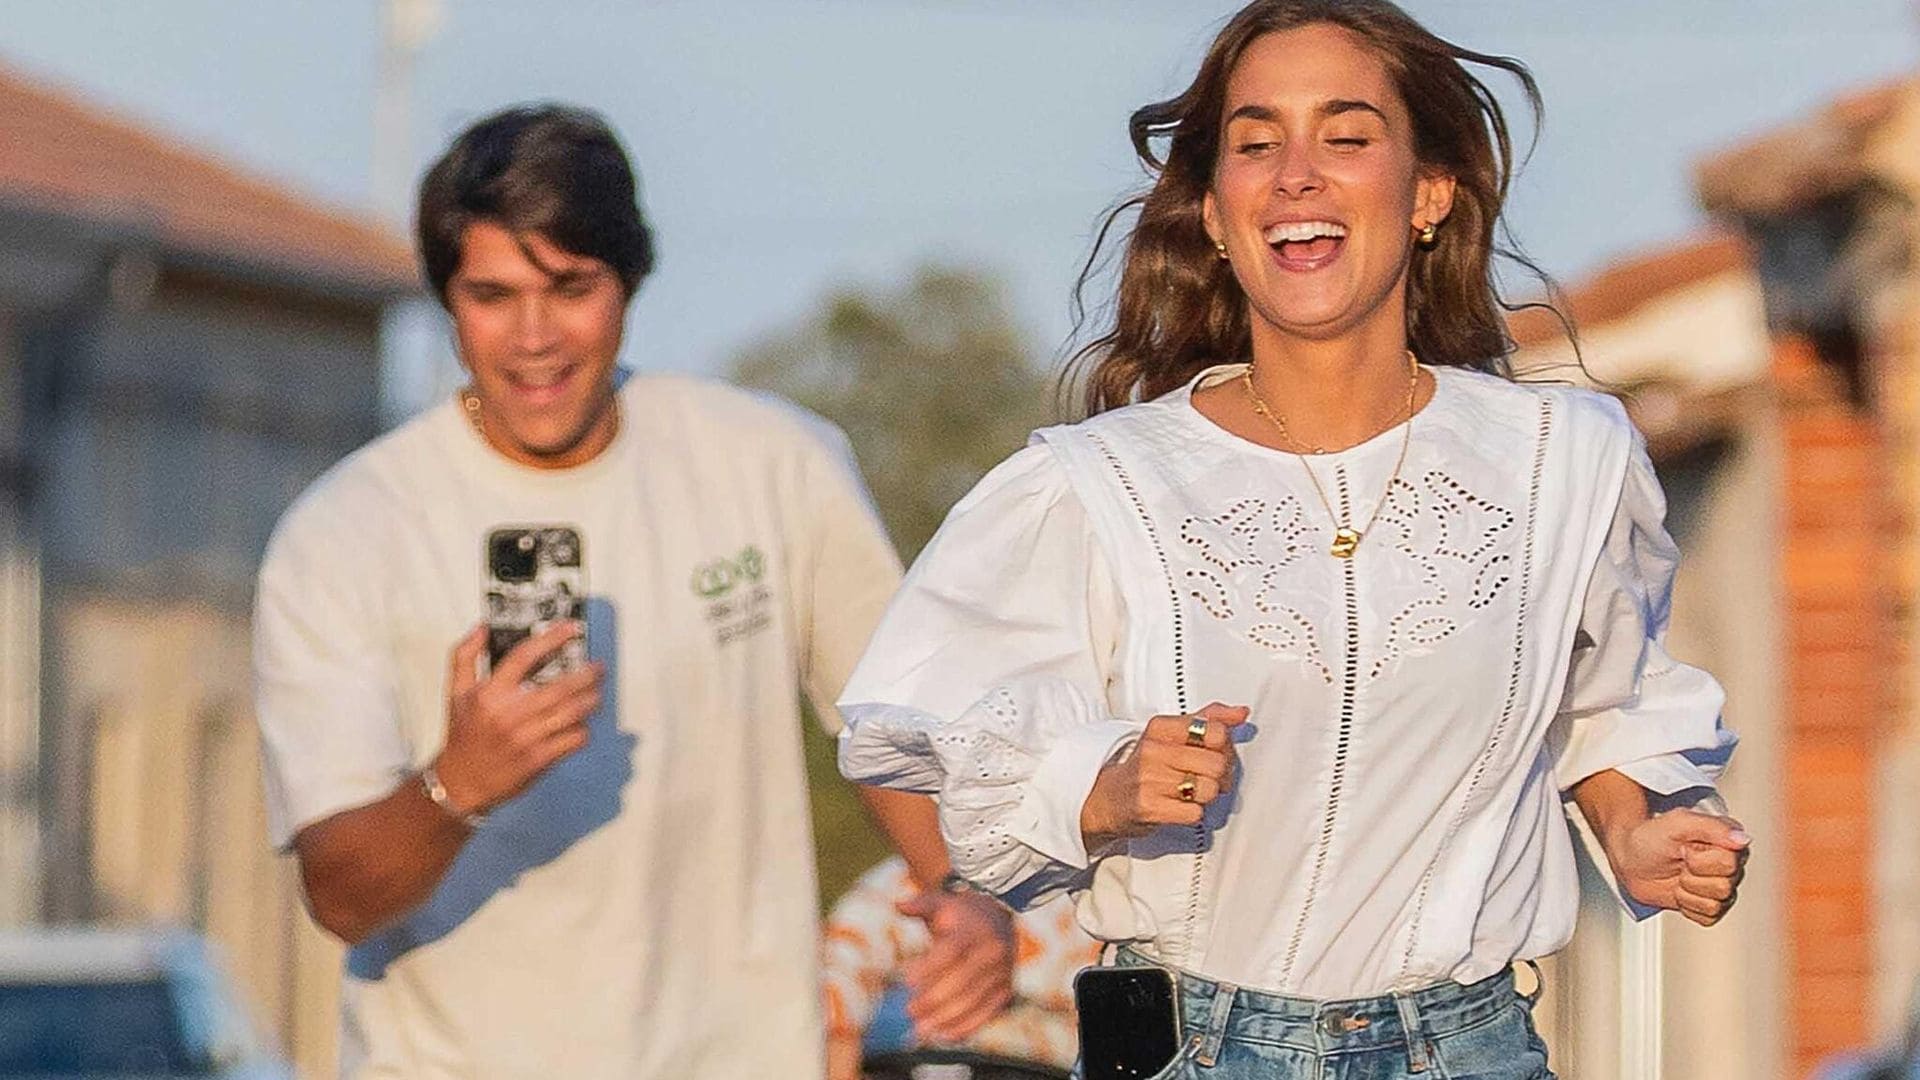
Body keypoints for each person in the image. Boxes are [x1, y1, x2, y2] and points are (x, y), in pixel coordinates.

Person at [836, 3, 1749, 1077]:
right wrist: (1103, 786)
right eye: (1257, 143)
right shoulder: (1095, 486)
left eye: (1347, 136)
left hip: (1469, 1048)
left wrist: (1637, 831)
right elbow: (904, 735)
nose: (1297, 175)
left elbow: (1598, 708)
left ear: (1430, 192)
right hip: (1187, 1049)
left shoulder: (1564, 460)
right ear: (1217, 214)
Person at [252, 104, 1011, 1079]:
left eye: (570, 288)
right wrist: (458, 785)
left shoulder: (775, 462)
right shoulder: (346, 532)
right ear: (448, 301)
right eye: (491, 295)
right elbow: (341, 895)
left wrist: (969, 895)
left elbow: (895, 726)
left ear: (629, 281)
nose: (533, 337)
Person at [822, 855, 1101, 1080]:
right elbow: (835, 982)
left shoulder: (1104, 895)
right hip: (919, 1061)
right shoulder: (916, 876)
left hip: (1045, 1063)